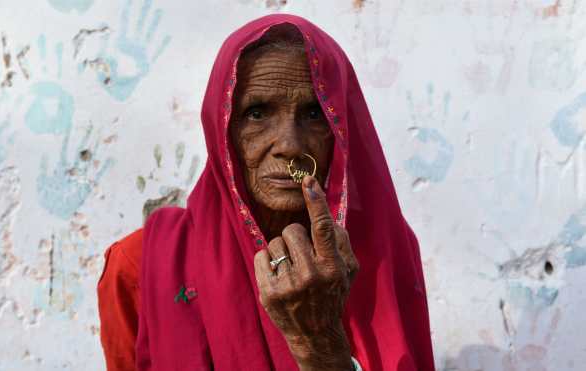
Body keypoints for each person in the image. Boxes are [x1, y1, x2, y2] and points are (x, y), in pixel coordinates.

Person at [97, 14, 435, 371]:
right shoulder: (139, 267)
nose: (290, 145)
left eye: (314, 113)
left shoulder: (380, 254)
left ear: (340, 129)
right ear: (221, 129)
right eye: (256, 113)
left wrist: (320, 345)